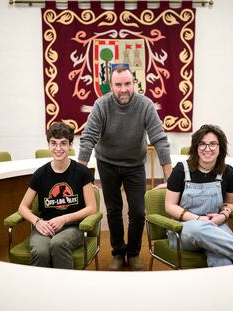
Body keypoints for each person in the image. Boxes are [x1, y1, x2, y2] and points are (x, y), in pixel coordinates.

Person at [78, 64, 172, 271]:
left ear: (134, 83)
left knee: (138, 212)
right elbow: (88, 138)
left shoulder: (145, 105)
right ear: (111, 86)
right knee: (113, 210)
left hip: (134, 165)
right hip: (107, 163)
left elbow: (159, 139)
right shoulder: (101, 105)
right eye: (118, 84)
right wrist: (79, 174)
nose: (123, 89)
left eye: (127, 84)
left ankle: (134, 253)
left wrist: (169, 177)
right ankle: (118, 253)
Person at [165, 124, 233, 266]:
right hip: (184, 229)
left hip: (217, 225)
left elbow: (229, 204)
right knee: (199, 228)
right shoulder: (181, 170)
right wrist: (199, 219)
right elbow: (169, 206)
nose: (207, 149)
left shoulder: (228, 173)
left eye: (213, 144)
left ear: (220, 148)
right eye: (202, 144)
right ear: (196, 147)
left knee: (222, 259)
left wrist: (222, 217)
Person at [18, 122, 96, 269]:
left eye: (63, 143)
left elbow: (92, 208)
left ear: (71, 145)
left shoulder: (81, 172)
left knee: (58, 243)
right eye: (54, 143)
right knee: (40, 251)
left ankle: (66, 289)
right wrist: (37, 222)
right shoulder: (40, 174)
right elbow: (22, 207)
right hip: (45, 226)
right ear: (48, 145)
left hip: (73, 227)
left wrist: (64, 218)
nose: (58, 148)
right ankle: (40, 289)